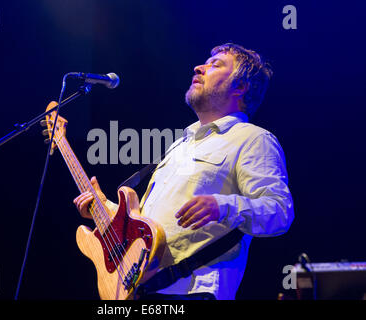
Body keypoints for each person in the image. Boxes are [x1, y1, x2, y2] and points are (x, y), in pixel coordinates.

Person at [73, 43, 294, 300]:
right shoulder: (180, 144)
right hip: (142, 289)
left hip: (194, 291)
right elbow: (146, 223)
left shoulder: (253, 139)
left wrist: (223, 206)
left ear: (241, 87)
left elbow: (279, 211)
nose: (199, 67)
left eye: (216, 64)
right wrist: (105, 208)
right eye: (205, 62)